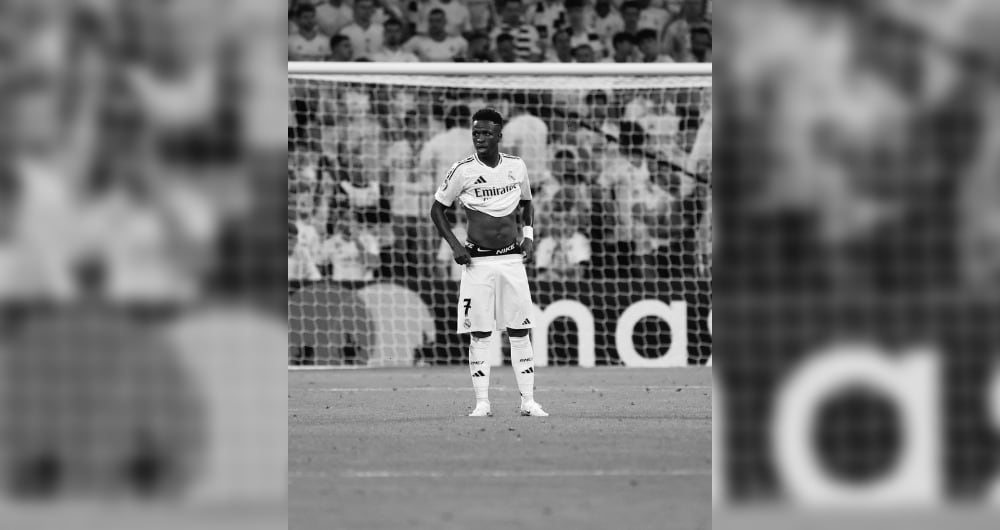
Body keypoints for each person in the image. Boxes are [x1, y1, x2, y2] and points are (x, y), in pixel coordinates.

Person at [429, 107, 549, 418]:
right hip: (477, 263)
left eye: (485, 133)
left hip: (511, 259)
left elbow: (526, 202)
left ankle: (528, 401)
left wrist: (530, 236)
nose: (479, 138)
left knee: (520, 330)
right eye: (475, 133)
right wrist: (455, 246)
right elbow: (436, 211)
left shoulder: (515, 166)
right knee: (480, 333)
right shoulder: (462, 170)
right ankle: (482, 402)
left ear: (498, 135)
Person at [404, 9, 468, 61]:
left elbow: (467, 60)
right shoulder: (417, 40)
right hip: (426, 76)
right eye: (431, 21)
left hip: (451, 75)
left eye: (438, 21)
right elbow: (400, 54)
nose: (434, 24)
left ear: (445, 22)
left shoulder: (459, 41)